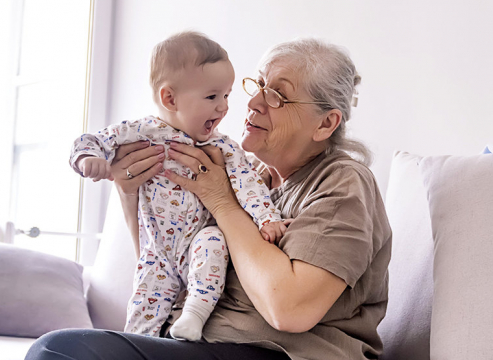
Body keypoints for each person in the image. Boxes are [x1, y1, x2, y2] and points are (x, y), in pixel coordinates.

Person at [26, 38, 392, 360]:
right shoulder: (246, 173)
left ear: (325, 124)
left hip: (280, 352)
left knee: (60, 351)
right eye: (258, 85)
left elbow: (289, 310)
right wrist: (128, 191)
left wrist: (221, 201)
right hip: (199, 341)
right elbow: (168, 263)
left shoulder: (343, 182)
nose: (254, 102)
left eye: (278, 95)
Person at [69, 31, 285, 341]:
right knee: (142, 313)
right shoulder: (141, 132)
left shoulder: (222, 146)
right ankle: (138, 344)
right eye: (212, 97)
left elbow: (249, 184)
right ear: (169, 98)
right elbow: (92, 140)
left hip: (198, 243)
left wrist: (267, 218)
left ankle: (194, 314)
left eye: (226, 96)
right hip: (157, 252)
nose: (223, 108)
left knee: (214, 241)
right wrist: (87, 158)